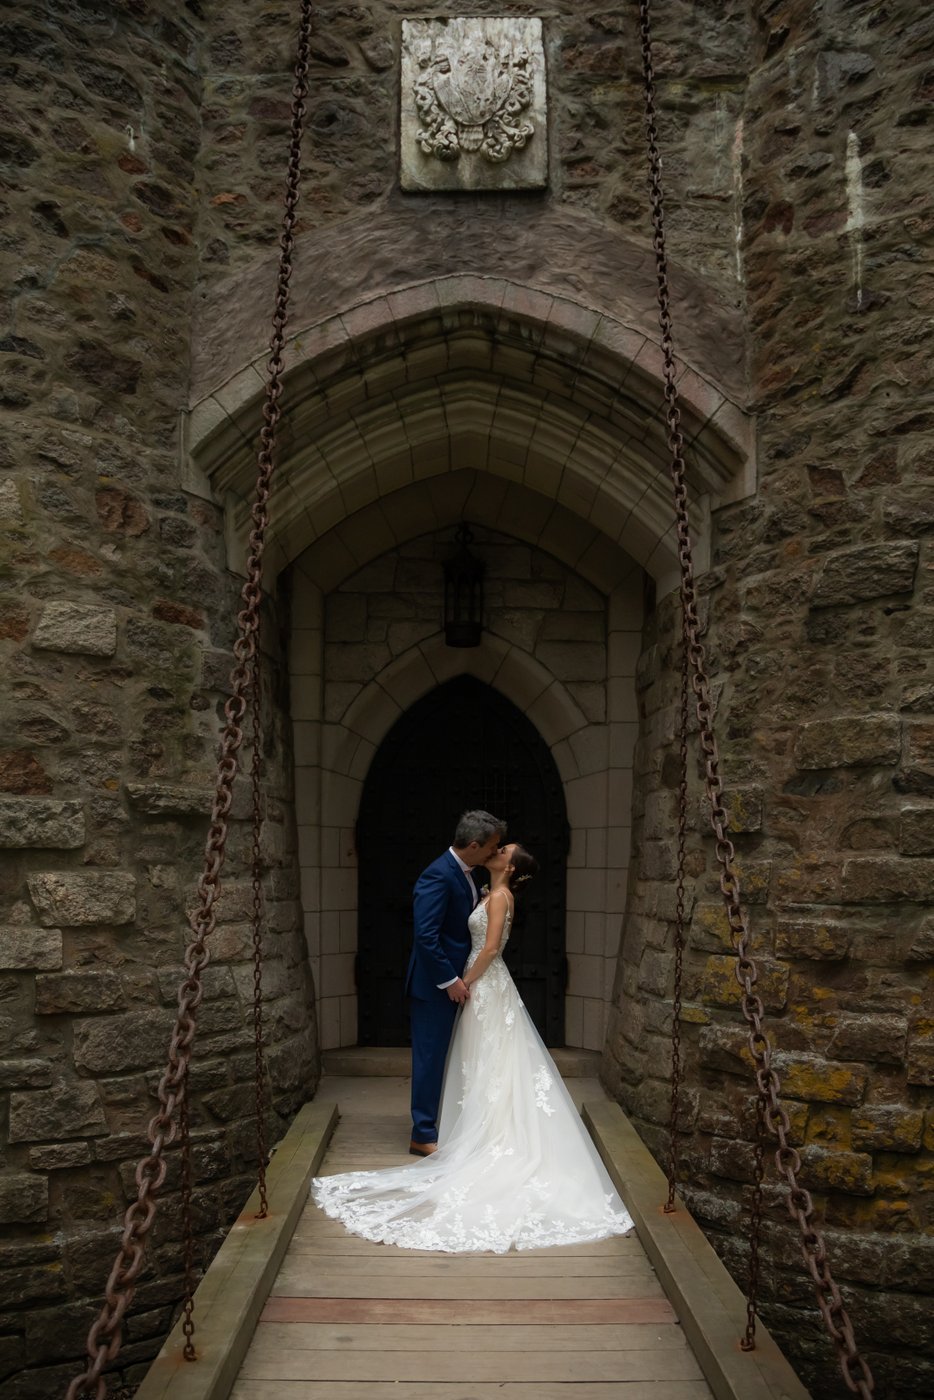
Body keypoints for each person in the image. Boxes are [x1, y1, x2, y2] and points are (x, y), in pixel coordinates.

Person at [311, 842, 633, 1253]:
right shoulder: (487, 892)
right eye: (498, 846)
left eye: (505, 851)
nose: (497, 851)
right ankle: (476, 1125)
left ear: (511, 868)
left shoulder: (499, 896)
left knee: (493, 1058)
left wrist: (467, 981)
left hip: (484, 983)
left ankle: (490, 1135)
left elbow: (492, 948)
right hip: (482, 984)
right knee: (485, 1059)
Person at [405, 809, 506, 1156]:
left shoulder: (465, 872)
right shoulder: (437, 875)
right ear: (475, 845)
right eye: (492, 847)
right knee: (430, 1057)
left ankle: (442, 1122)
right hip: (433, 985)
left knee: (448, 1056)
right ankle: (422, 1134)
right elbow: (426, 936)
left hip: (456, 982)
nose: (495, 853)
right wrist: (449, 980)